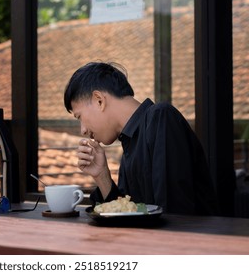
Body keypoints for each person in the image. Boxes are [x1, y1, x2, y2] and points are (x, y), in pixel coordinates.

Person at [63, 61, 219, 215]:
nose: (83, 130)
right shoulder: (129, 143)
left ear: (99, 100)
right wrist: (101, 175)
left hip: (193, 238)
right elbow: (127, 215)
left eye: (79, 117)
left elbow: (173, 213)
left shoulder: (160, 117)